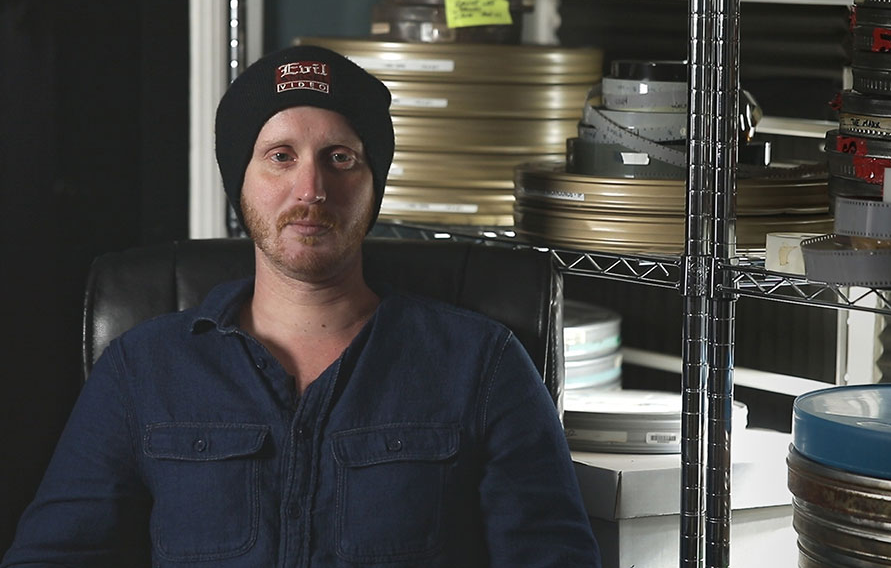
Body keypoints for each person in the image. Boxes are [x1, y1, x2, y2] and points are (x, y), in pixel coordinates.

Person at [2, 45, 600, 567]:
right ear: (241, 182)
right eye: (280, 156)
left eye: (340, 157)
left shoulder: (484, 365)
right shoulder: (141, 369)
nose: (311, 189)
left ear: (374, 186)